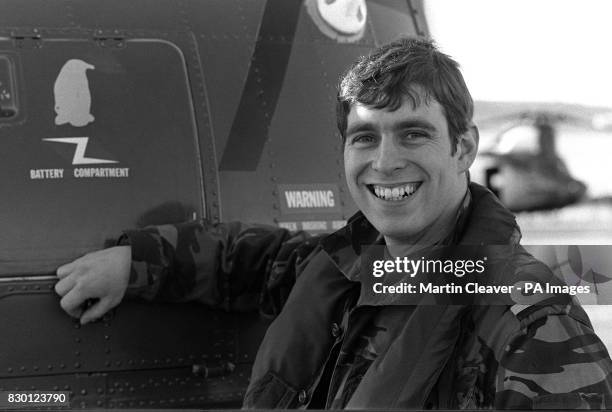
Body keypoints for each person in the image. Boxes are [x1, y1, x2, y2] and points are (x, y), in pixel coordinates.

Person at [55, 38, 612, 409]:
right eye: (364, 137)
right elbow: (247, 260)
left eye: (413, 133)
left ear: (464, 147)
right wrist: (139, 262)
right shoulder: (350, 268)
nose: (385, 162)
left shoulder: (531, 322)